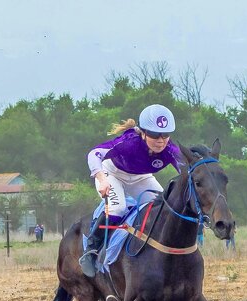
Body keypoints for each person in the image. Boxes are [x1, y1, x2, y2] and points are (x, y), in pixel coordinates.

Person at [78, 105, 187, 277]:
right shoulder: (129, 143)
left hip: (141, 178)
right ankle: (91, 251)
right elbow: (95, 153)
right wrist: (101, 178)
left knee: (162, 206)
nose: (161, 140)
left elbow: (188, 171)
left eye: (165, 135)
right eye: (154, 134)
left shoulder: (170, 150)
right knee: (118, 208)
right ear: (143, 133)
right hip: (112, 173)